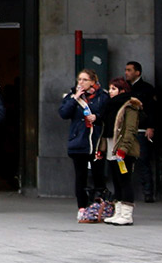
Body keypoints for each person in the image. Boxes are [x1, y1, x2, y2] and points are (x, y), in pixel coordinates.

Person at [58, 70, 109, 223]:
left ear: (93, 81)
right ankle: (82, 207)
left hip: (96, 142)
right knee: (80, 177)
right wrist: (75, 98)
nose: (81, 83)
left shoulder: (102, 97)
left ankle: (97, 206)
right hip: (79, 142)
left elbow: (108, 115)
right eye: (79, 79)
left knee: (98, 175)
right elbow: (63, 113)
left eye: (85, 80)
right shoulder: (72, 96)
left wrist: (97, 117)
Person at [103, 94, 145, 226]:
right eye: (110, 88)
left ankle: (127, 214)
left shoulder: (130, 107)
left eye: (114, 88)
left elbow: (130, 130)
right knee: (116, 180)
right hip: (112, 147)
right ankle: (118, 212)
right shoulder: (110, 106)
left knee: (124, 179)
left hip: (124, 149)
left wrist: (124, 148)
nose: (111, 91)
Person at [124, 61, 161, 202]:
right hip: (127, 129)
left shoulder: (147, 89)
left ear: (137, 72)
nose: (126, 72)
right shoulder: (125, 88)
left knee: (142, 160)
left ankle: (148, 192)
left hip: (141, 129)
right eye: (126, 70)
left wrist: (150, 127)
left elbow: (152, 110)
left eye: (129, 70)